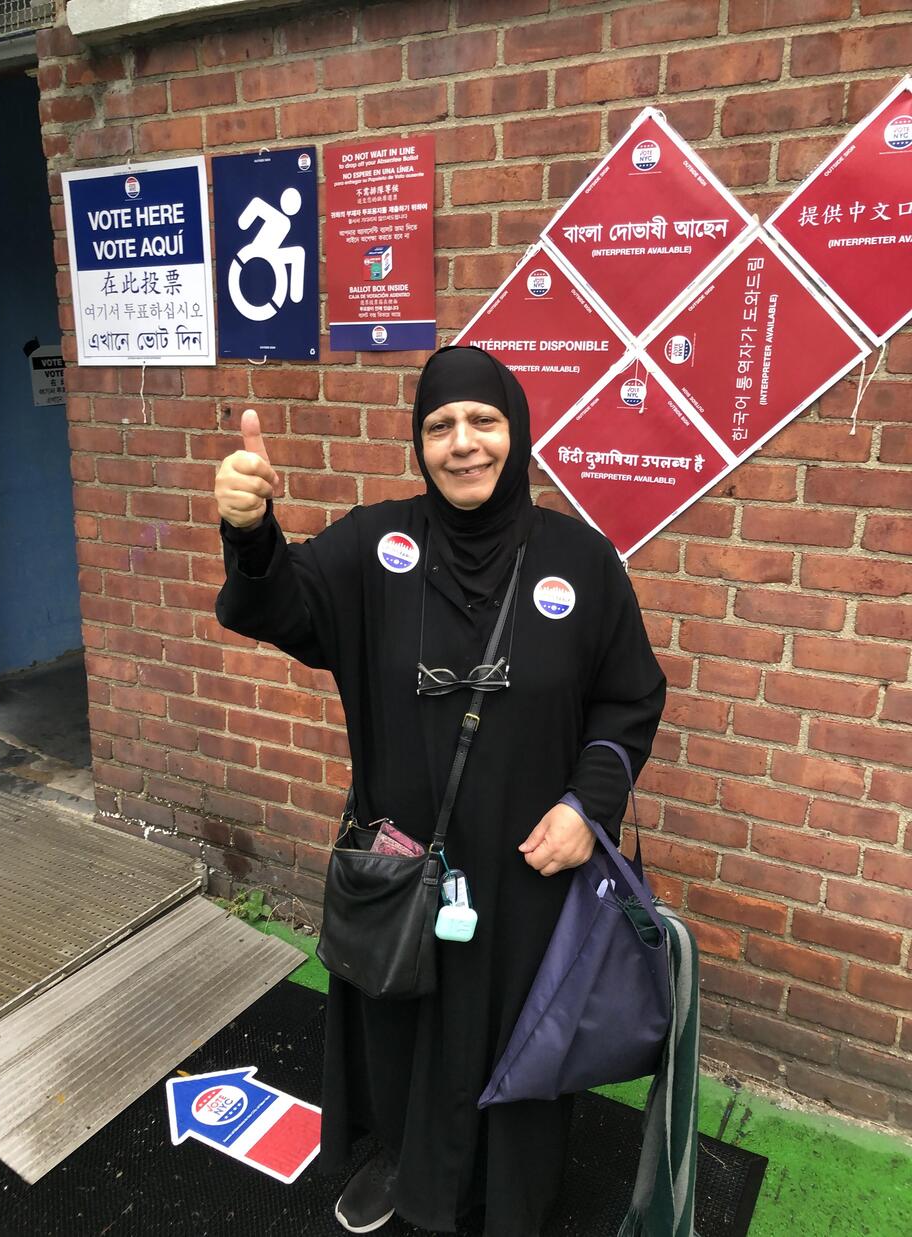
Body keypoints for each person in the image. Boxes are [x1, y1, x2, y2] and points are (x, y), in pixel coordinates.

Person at [214, 345, 666, 1237]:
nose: (463, 444)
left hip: (533, 870)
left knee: (519, 1033)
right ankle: (402, 1161)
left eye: (484, 422)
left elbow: (631, 694)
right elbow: (283, 605)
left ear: (517, 431)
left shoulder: (581, 559)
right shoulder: (374, 546)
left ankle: (511, 1194)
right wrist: (251, 530)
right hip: (403, 864)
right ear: (419, 443)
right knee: (398, 1026)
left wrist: (588, 806)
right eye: (440, 426)